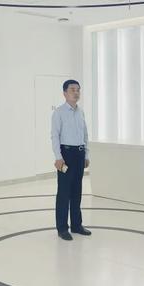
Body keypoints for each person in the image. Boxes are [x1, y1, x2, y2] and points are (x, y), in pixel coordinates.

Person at [51, 80, 91, 241]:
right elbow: (55, 136)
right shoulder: (59, 112)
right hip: (66, 155)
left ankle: (76, 225)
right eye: (72, 89)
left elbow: (85, 135)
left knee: (76, 191)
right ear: (65, 93)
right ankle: (62, 228)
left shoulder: (81, 112)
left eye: (78, 90)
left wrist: (86, 155)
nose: (76, 92)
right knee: (64, 193)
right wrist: (58, 157)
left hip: (79, 154)